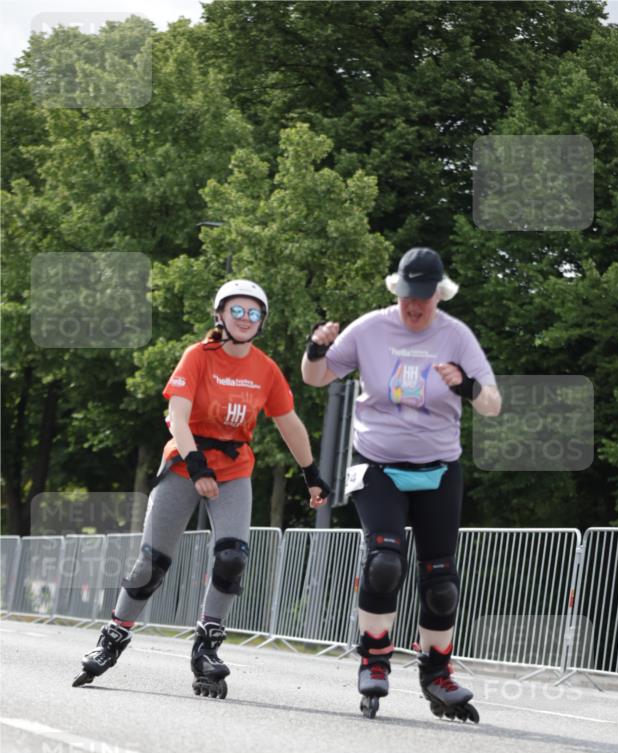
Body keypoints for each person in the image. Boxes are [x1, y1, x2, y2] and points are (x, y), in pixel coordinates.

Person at [73, 278, 330, 696]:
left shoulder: (264, 369)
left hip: (233, 468)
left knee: (232, 557)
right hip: (183, 463)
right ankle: (113, 637)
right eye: (237, 311)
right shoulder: (198, 356)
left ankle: (206, 647)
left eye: (253, 313)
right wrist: (196, 467)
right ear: (220, 315)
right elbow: (177, 416)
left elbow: (289, 423)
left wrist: (311, 473)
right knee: (152, 561)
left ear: (262, 321)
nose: (245, 319)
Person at [301, 247, 501, 721]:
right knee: (385, 562)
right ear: (398, 291)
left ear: (439, 295)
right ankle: (374, 658)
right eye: (408, 298)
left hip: (438, 469)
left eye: (424, 300)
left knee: (441, 585)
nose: (415, 308)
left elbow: (492, 403)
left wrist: (467, 386)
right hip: (378, 464)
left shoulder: (455, 336)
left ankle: (437, 674)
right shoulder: (371, 328)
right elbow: (315, 377)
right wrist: (315, 347)